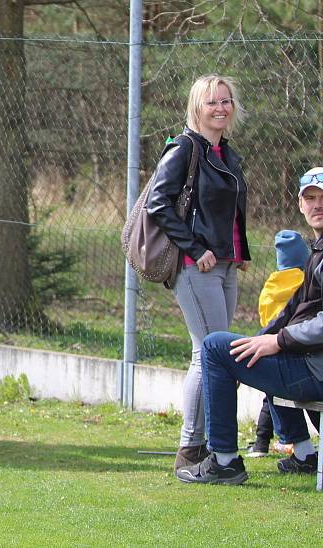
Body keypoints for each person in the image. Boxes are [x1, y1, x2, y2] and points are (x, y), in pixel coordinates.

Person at [176, 167, 323, 485]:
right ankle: (304, 455)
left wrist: (278, 341)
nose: (317, 205)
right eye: (310, 198)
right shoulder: (316, 252)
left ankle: (225, 461)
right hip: (308, 362)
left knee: (214, 347)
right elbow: (291, 310)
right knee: (250, 348)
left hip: (314, 369)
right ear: (300, 204)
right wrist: (261, 339)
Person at [146, 74, 251, 474]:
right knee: (206, 355)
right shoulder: (184, 148)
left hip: (225, 265)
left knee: (217, 357)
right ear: (196, 107)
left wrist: (239, 253)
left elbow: (232, 212)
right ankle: (191, 450)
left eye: (226, 102)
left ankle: (209, 445)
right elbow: (159, 203)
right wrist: (195, 248)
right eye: (212, 102)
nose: (221, 108)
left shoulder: (227, 154)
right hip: (196, 266)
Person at [245, 230, 312, 458]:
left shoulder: (271, 286)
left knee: (271, 391)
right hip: (303, 352)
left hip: (276, 349)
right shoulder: (307, 280)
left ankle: (262, 443)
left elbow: (266, 319)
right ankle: (297, 448)